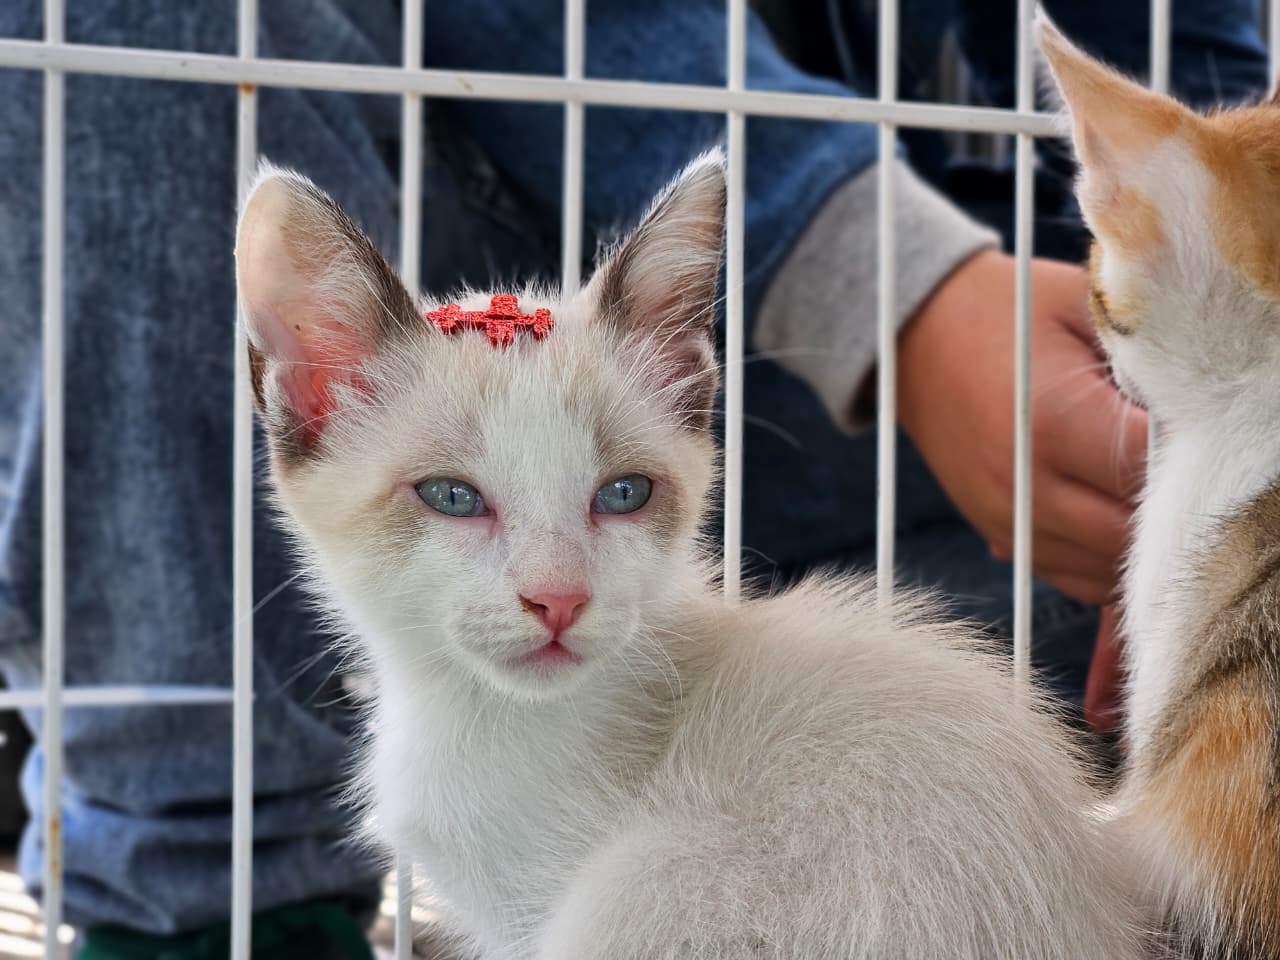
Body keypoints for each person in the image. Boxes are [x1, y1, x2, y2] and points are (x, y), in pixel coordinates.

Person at [0, 0, 1267, 954]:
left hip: (965, 472)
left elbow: (1180, 68)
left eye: (618, 498)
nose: (552, 588)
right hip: (686, 281)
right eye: (454, 500)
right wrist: (888, 277)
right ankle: (204, 881)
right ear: (310, 405)